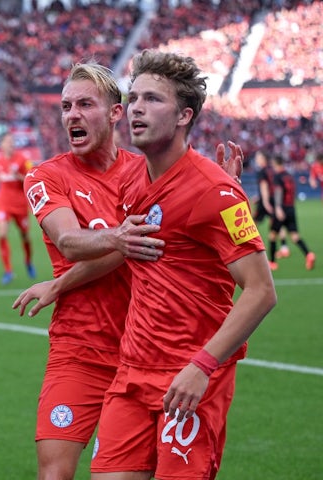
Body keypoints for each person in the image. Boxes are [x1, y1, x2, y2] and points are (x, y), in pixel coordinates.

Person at [13, 60, 242, 480]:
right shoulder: (46, 176)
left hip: (146, 351)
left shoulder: (147, 172)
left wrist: (214, 194)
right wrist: (114, 241)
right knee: (55, 473)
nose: (72, 116)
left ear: (116, 113)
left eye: (85, 104)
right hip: (80, 348)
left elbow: (175, 243)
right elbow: (69, 241)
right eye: (66, 107)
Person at [85, 49, 277, 480]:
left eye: (152, 99)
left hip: (190, 378)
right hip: (132, 373)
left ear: (184, 116)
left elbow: (262, 291)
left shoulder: (215, 191)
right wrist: (58, 286)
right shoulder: (132, 180)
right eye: (133, 98)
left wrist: (202, 366)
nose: (136, 108)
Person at [0, 131, 36, 285]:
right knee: (2, 234)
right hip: (4, 202)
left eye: (12, 141)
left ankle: (28, 261)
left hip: (20, 204)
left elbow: (32, 179)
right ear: (1, 145)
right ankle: (8, 271)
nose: (10, 144)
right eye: (7, 142)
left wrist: (19, 176)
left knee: (24, 236)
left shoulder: (24, 160)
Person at [268, 153, 316, 270]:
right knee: (294, 236)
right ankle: (308, 254)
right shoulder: (289, 176)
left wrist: (278, 207)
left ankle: (272, 263)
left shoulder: (278, 177)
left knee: (272, 235)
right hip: (291, 208)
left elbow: (279, 192)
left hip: (282, 208)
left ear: (275, 163)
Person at [253, 150, 289, 259]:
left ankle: (254, 246)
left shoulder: (262, 171)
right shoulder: (272, 170)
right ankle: (284, 248)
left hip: (266, 201)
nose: (256, 159)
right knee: (277, 224)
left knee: (252, 223)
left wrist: (264, 201)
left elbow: (264, 187)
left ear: (263, 159)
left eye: (258, 157)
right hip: (274, 199)